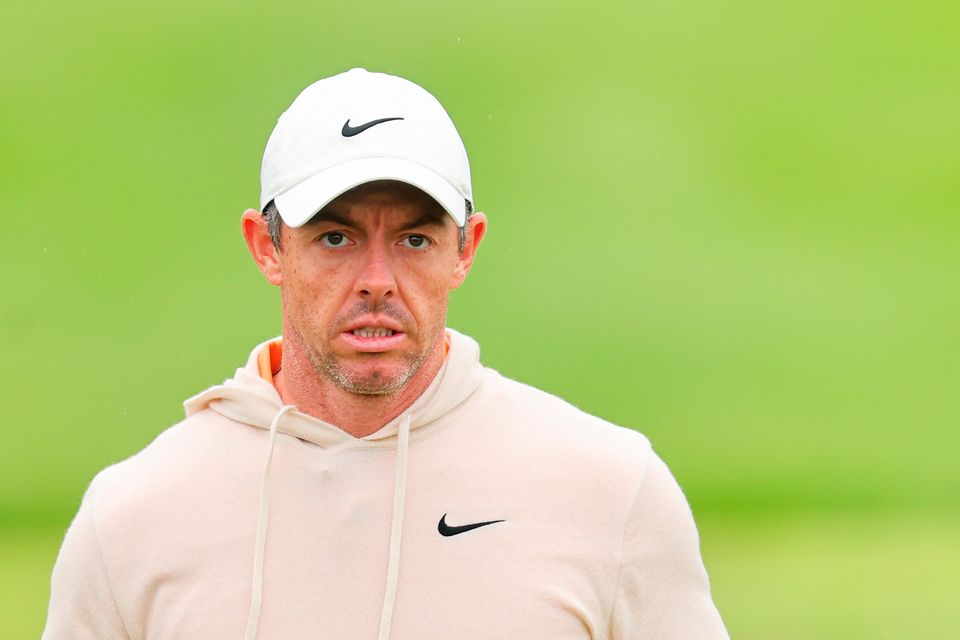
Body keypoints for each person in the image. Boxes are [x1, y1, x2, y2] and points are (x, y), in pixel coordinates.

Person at [43, 68, 729, 639]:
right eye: (336, 239)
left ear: (466, 249)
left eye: (414, 239)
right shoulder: (135, 515)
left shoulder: (611, 491)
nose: (377, 278)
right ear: (267, 247)